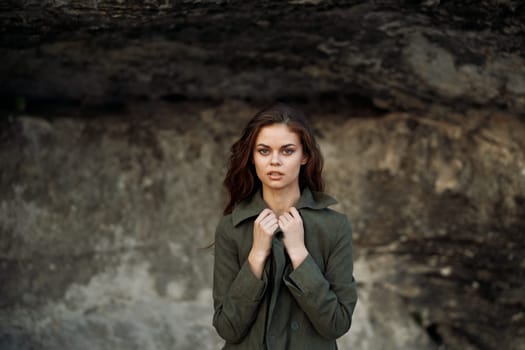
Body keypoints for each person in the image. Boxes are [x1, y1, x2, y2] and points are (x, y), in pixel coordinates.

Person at [212, 102, 357, 349]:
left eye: (287, 151)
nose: (274, 161)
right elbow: (227, 328)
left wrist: (300, 254)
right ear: (252, 157)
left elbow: (337, 324)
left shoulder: (334, 227)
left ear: (305, 156)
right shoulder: (232, 227)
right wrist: (257, 255)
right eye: (264, 151)